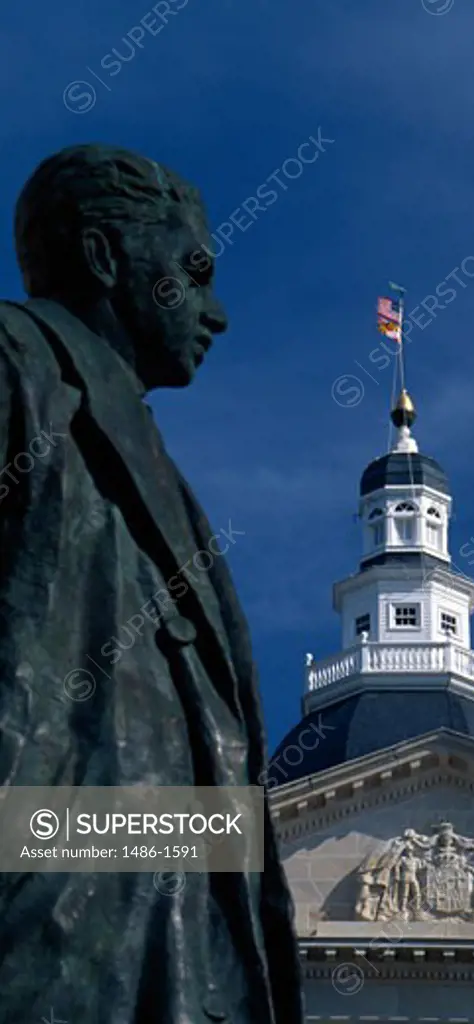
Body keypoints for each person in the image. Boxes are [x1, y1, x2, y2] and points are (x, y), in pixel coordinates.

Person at [0, 144, 303, 1024]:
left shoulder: (169, 488)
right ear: (105, 257)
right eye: (193, 273)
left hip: (164, 962)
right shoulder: (18, 364)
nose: (217, 314)